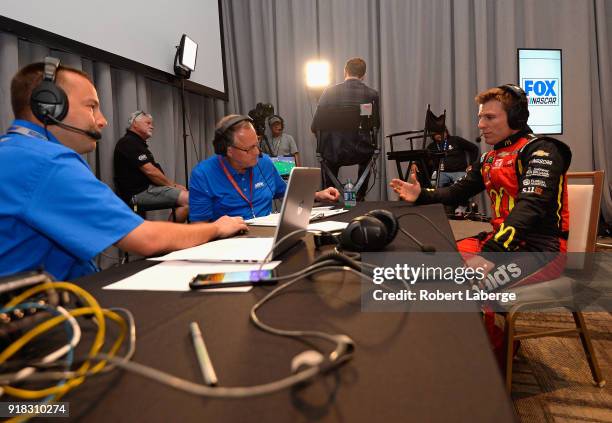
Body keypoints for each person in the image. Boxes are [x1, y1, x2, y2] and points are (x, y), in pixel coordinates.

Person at [0, 59, 246, 281]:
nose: (102, 120)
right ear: (48, 107)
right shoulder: (47, 162)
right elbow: (146, 239)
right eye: (91, 107)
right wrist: (217, 227)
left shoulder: (16, 152)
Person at [391, 84, 572, 365]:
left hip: (542, 249)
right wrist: (422, 194)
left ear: (516, 118)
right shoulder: (489, 157)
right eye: (480, 117)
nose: (481, 124)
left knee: (467, 286)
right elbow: (456, 192)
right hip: (502, 242)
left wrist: (490, 254)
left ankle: (489, 365)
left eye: (490, 117)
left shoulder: (543, 151)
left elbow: (530, 207)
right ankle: (458, 346)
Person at [189, 114, 340, 222]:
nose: (257, 152)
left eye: (257, 144)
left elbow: (285, 191)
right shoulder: (203, 175)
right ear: (228, 150)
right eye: (250, 148)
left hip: (267, 239)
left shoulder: (265, 163)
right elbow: (198, 228)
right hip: (230, 248)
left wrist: (318, 194)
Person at [311, 57, 380, 201]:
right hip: (361, 150)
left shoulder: (328, 92)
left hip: (333, 152)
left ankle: (330, 195)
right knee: (369, 155)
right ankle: (360, 195)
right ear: (363, 75)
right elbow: (376, 126)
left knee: (328, 159)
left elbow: (315, 126)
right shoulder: (371, 95)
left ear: (345, 71)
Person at [114, 111, 189, 222]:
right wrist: (173, 186)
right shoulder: (128, 142)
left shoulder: (136, 143)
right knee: (190, 200)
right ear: (135, 124)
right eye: (148, 123)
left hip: (147, 190)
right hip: (137, 194)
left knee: (189, 197)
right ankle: (168, 237)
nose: (152, 126)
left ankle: (169, 235)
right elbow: (151, 172)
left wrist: (174, 186)